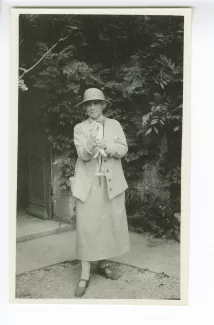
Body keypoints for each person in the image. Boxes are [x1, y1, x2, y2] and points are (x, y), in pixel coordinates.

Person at [72, 88, 130, 297]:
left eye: (96, 103)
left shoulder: (114, 125)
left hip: (111, 184)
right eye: (88, 104)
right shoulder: (80, 128)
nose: (92, 107)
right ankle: (85, 274)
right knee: (87, 227)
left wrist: (108, 145)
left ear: (103, 105)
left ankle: (103, 264)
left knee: (107, 225)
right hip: (89, 184)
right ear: (85, 107)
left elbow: (123, 149)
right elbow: (82, 154)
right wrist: (90, 143)